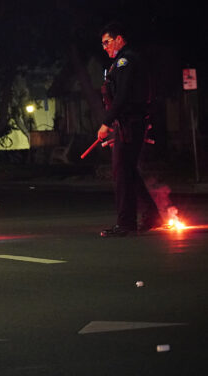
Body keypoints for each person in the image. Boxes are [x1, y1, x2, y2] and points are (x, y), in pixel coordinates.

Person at [97, 21, 162, 237]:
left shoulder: (126, 60)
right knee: (127, 170)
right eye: (103, 44)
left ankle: (126, 223)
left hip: (131, 122)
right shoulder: (121, 62)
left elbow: (123, 96)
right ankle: (152, 215)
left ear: (119, 39)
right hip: (129, 122)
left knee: (122, 171)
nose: (105, 47)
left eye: (107, 42)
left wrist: (106, 122)